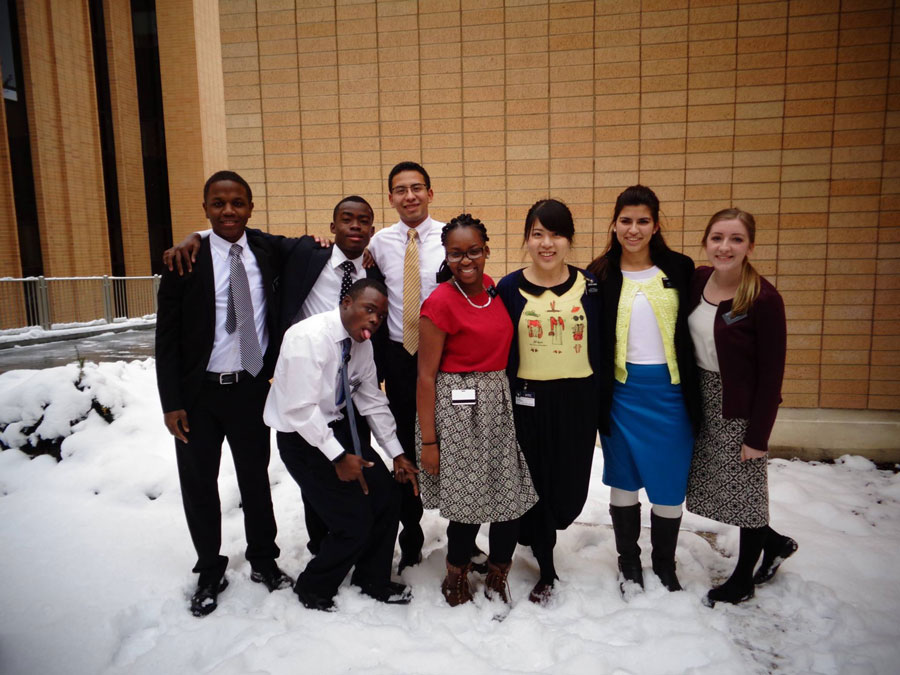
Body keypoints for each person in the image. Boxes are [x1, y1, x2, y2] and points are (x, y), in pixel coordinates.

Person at [164, 196, 385, 558]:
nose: (355, 226)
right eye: (346, 219)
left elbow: (239, 231)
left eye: (363, 222)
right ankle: (218, 564)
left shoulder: (373, 272)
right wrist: (197, 237)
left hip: (324, 389)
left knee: (267, 477)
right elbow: (232, 230)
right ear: (333, 226)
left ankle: (291, 554)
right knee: (209, 482)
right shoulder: (305, 254)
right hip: (274, 387)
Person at [155, 170, 292, 617]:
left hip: (250, 387)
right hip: (199, 395)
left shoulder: (267, 250)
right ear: (206, 209)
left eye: (237, 203)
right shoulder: (185, 261)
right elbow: (167, 338)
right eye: (218, 203)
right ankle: (210, 570)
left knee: (255, 479)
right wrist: (171, 402)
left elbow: (309, 248)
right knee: (199, 484)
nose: (228, 211)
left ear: (250, 208)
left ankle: (264, 560)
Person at [264, 279, 420, 611]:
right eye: (369, 309)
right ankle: (313, 587)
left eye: (381, 314)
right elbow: (300, 409)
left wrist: (397, 454)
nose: (375, 319)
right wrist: (337, 456)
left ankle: (371, 579)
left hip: (339, 431)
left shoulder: (361, 344)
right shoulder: (308, 338)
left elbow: (371, 399)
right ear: (346, 302)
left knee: (387, 495)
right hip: (303, 439)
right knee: (352, 522)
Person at [416, 214, 539, 607]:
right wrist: (430, 442)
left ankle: (499, 572)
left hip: (497, 406)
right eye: (455, 254)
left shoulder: (492, 289)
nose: (465, 260)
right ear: (446, 256)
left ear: (486, 251)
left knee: (510, 498)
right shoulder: (438, 303)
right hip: (456, 411)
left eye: (473, 251)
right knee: (467, 506)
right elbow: (425, 378)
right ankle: (455, 576)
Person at [587, 185, 701, 595]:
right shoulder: (598, 273)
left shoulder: (681, 269)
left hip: (670, 396)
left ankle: (664, 564)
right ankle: (629, 562)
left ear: (655, 225)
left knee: (669, 484)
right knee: (624, 480)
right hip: (621, 394)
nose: (633, 229)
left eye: (642, 221)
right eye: (625, 221)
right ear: (614, 224)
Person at [685, 208, 796, 607]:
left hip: (740, 409)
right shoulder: (697, 279)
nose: (725, 247)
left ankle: (743, 581)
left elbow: (771, 376)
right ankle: (777, 543)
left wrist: (758, 437)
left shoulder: (763, 298)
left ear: (750, 245)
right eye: (717, 238)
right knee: (718, 489)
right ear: (706, 242)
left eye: (735, 239)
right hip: (703, 398)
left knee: (747, 496)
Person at [496, 199, 603, 605]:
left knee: (569, 488)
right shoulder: (507, 288)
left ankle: (541, 533)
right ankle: (547, 566)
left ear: (569, 240)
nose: (547, 243)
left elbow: (604, 344)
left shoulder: (591, 286)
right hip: (528, 400)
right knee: (535, 481)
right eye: (538, 233)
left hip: (578, 401)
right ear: (526, 239)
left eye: (556, 234)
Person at [366, 161, 450, 573]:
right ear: (391, 198)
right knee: (404, 446)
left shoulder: (451, 236)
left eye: (417, 188)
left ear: (430, 194)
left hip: (447, 357)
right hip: (400, 357)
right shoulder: (380, 243)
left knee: (452, 445)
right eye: (401, 190)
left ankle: (462, 538)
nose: (410, 196)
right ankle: (411, 536)